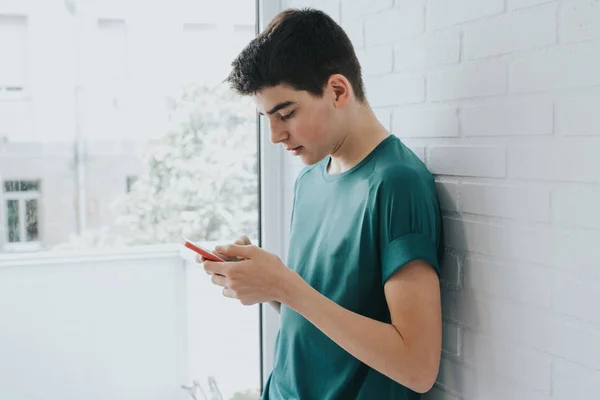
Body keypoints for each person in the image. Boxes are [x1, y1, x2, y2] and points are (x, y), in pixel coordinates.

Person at [200, 8, 443, 400]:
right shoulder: (309, 180)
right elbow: (320, 318)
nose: (276, 136)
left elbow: (417, 367)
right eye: (266, 118)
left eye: (286, 114)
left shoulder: (397, 183)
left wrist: (286, 286)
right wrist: (270, 288)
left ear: (337, 91)